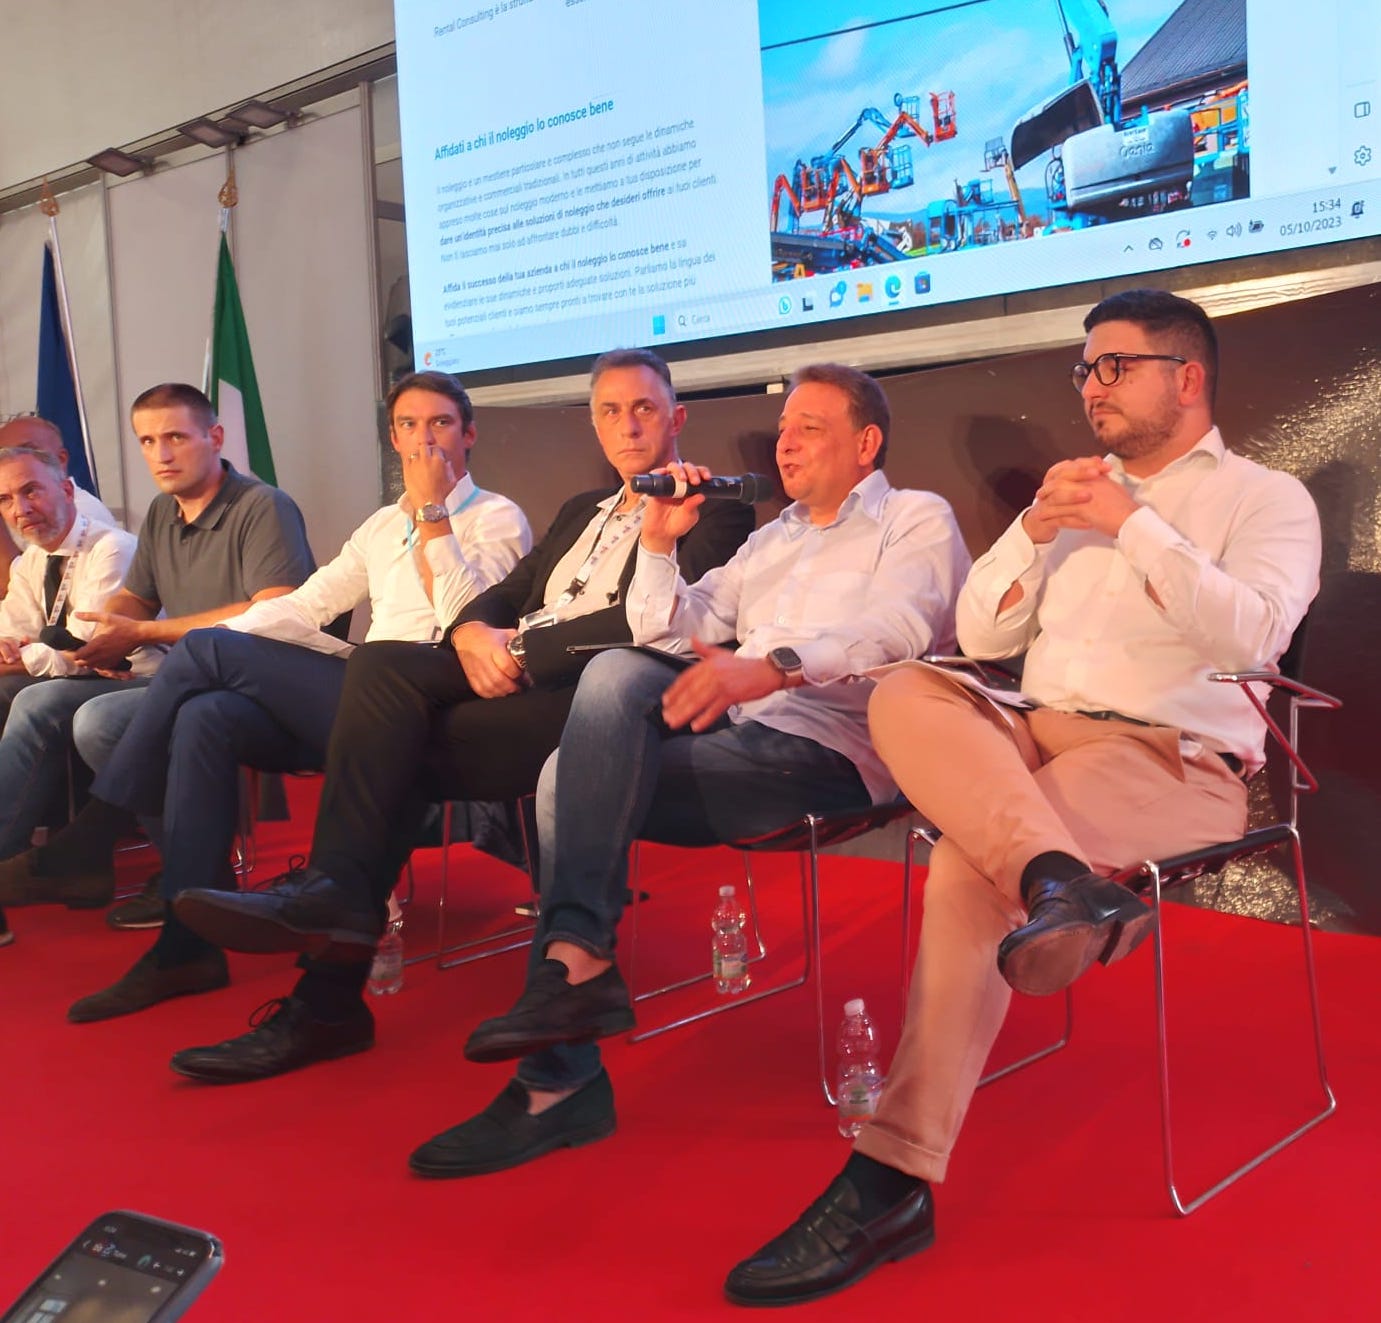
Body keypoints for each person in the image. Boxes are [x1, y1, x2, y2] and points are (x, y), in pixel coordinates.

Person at [722, 290, 1322, 1307]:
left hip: (1169, 758)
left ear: (1187, 378)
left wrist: (1134, 525)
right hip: (1031, 729)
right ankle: (1059, 883)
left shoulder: (1264, 498)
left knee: (967, 859)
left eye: (1114, 366)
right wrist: (1035, 533)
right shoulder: (1073, 498)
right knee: (908, 688)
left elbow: (1252, 637)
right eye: (1084, 369)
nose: (1091, 387)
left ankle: (890, 1177)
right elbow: (983, 637)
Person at [405, 361, 970, 1180]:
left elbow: (898, 628)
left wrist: (772, 667)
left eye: (809, 428)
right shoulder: (771, 539)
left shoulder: (914, 518)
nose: (784, 443)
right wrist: (659, 544)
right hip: (734, 734)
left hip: (831, 749)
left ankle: (558, 1060)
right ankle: (577, 977)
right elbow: (665, 630)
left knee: (573, 765)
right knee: (588, 721)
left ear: (865, 442)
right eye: (783, 428)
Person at [166, 347, 755, 1083]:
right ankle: (330, 931)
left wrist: (524, 649)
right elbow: (509, 592)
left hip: (604, 696)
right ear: (594, 424)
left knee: (396, 740)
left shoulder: (716, 505)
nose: (627, 425)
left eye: (643, 408)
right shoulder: (584, 509)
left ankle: (328, 975)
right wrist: (474, 631)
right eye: (610, 410)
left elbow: (664, 625)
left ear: (677, 418)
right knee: (382, 669)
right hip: (519, 677)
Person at [0, 371, 530, 1015]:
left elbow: (465, 625)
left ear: (468, 434)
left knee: (207, 652)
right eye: (409, 426)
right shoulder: (379, 526)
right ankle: (185, 947)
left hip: (434, 707)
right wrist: (222, 648)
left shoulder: (497, 517)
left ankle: (93, 835)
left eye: (440, 424)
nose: (424, 441)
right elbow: (306, 606)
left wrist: (433, 512)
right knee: (207, 714)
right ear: (392, 439)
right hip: (362, 694)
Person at [0, 383, 314, 981]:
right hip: (182, 679)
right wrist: (103, 632)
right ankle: (177, 876)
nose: (161, 454)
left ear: (214, 437)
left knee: (93, 719)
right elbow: (135, 600)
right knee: (37, 699)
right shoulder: (163, 513)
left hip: (256, 686)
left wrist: (143, 633)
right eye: (147, 441)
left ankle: (168, 872)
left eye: (175, 436)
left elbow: (273, 611)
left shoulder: (263, 506)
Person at [0, 447, 140, 948]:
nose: (20, 510)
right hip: (83, 679)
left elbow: (86, 652)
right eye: (5, 499)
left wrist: (21, 654)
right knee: (8, 691)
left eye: (31, 491)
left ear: (65, 490)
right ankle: (42, 859)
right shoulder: (30, 562)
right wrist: (14, 650)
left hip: (136, 679)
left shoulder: (111, 547)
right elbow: (11, 636)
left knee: (33, 701)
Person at [0, 414, 115, 600]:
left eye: (27, 451)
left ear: (61, 459)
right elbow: (16, 612)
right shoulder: (35, 555)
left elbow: (5, 585)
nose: (15, 462)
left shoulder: (83, 513)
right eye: (5, 455)